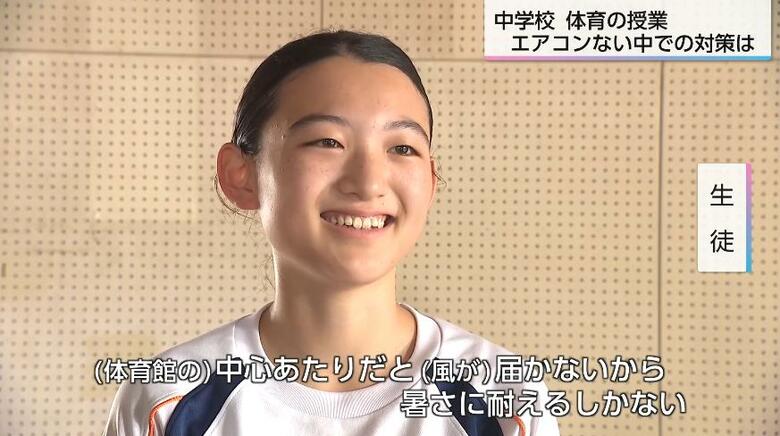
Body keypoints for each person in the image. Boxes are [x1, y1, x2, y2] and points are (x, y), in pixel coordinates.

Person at [102, 29, 560, 436]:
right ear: (241, 175)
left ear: (431, 183)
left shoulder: (507, 402)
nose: (368, 182)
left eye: (402, 148)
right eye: (327, 142)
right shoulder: (168, 400)